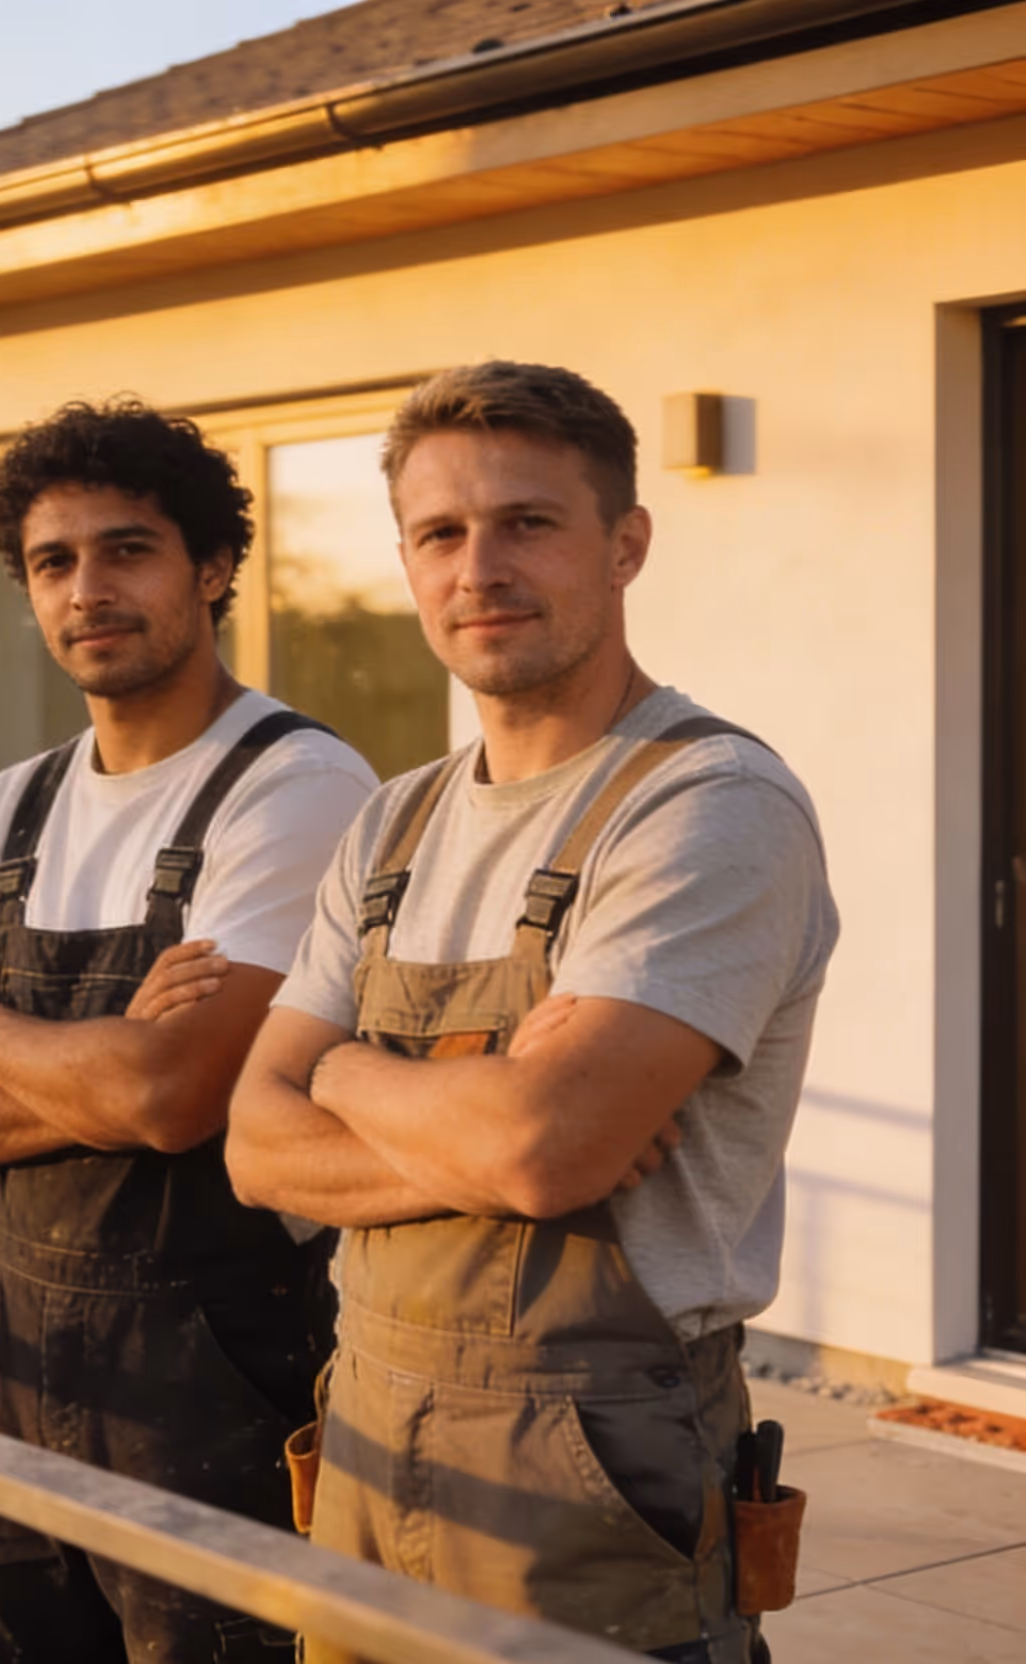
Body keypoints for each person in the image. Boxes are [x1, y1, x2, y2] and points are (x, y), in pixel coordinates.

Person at [229, 361, 838, 1664]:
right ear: (405, 561)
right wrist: (476, 1113)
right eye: (440, 534)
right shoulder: (393, 819)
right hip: (366, 1426)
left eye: (528, 523)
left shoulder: (705, 805)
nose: (478, 567)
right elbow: (251, 1144)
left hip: (594, 1454)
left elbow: (540, 1148)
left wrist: (337, 1068)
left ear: (626, 545)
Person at [0, 399, 378, 1662]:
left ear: (209, 568)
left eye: (126, 549)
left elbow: (171, 1100)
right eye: (53, 562)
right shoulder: (9, 806)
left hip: (214, 1364)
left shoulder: (295, 784)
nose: (85, 589)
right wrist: (94, 1049)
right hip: (5, 1354)